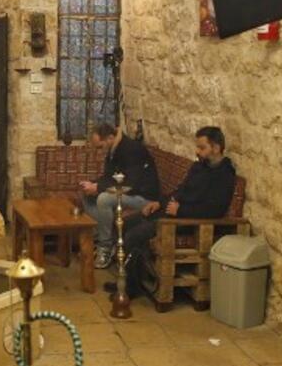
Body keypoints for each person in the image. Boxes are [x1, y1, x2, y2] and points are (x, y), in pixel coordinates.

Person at [104, 126, 236, 298]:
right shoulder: (199, 167)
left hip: (187, 223)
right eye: (197, 147)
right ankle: (126, 280)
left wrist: (181, 210)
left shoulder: (224, 174)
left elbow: (214, 210)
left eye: (202, 148)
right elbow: (179, 191)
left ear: (217, 148)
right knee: (122, 225)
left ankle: (129, 288)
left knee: (134, 236)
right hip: (169, 213)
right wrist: (158, 203)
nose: (197, 151)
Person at [79, 123, 160, 269]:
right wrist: (93, 185)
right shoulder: (113, 150)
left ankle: (106, 246)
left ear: (110, 138)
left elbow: (130, 184)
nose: (99, 151)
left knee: (104, 199)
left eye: (100, 146)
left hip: (143, 198)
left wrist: (99, 188)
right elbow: (109, 177)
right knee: (87, 195)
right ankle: (101, 238)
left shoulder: (132, 150)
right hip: (127, 192)